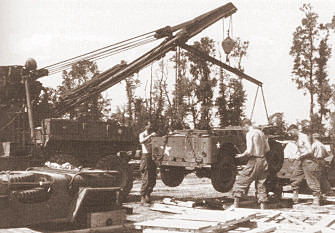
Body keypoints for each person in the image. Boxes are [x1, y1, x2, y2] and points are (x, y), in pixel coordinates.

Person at [232, 119, 270, 209]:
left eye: (243, 128)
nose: (244, 130)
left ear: (245, 125)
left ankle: (235, 205)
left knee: (241, 181)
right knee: (261, 184)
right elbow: (268, 149)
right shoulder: (261, 133)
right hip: (263, 160)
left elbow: (249, 151)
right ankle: (262, 208)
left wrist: (241, 155)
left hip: (254, 160)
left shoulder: (250, 134)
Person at [288, 124, 322, 205]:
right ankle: (295, 196)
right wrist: (295, 156)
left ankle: (316, 198)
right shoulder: (297, 138)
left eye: (290, 132)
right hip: (302, 160)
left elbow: (310, 150)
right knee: (295, 177)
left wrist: (300, 156)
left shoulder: (303, 137)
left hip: (309, 160)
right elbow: (301, 150)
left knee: (311, 179)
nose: (290, 135)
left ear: (294, 130)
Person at [139, 121, 157, 206]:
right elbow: (141, 141)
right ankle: (142, 198)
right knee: (146, 177)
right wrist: (150, 136)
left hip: (152, 156)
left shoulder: (153, 135)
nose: (151, 126)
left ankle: (148, 196)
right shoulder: (142, 134)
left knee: (153, 178)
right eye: (149, 125)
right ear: (145, 126)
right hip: (145, 156)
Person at [311, 133, 332, 197]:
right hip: (322, 161)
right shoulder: (322, 145)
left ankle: (318, 193)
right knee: (322, 176)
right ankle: (328, 191)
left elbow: (310, 153)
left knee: (315, 177)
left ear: (313, 138)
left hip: (316, 161)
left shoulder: (314, 144)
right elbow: (327, 155)